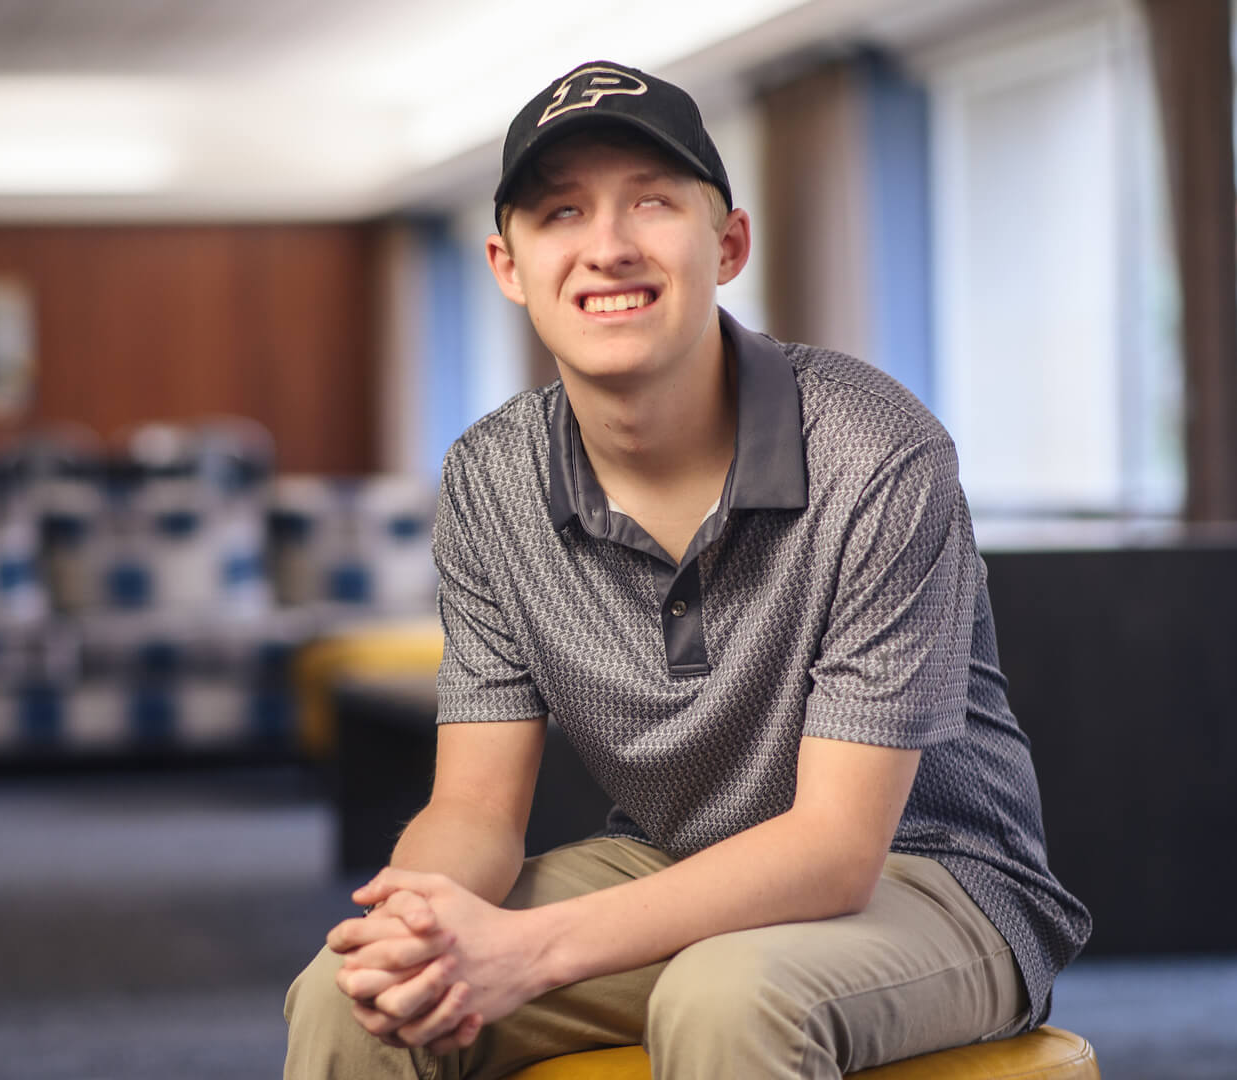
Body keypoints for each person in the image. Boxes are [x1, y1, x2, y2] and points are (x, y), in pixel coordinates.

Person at [284, 59, 1090, 1080]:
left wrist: (525, 950)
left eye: (651, 203)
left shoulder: (874, 451)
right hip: (678, 863)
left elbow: (838, 850)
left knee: (727, 998)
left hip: (933, 879)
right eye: (560, 213)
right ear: (507, 264)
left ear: (730, 243)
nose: (607, 247)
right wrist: (418, 922)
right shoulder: (490, 478)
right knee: (353, 1001)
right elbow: (476, 810)